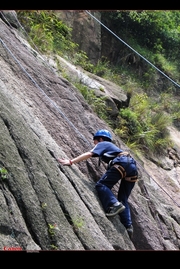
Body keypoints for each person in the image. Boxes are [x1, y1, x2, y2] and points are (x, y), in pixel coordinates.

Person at [58, 129, 138, 239]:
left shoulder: (103, 143)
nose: (94, 144)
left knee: (101, 185)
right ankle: (128, 226)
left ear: (100, 139)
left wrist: (71, 162)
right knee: (123, 198)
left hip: (122, 162)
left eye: (95, 141)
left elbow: (89, 154)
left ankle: (114, 205)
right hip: (132, 168)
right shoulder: (112, 149)